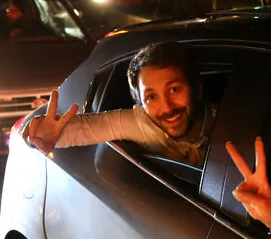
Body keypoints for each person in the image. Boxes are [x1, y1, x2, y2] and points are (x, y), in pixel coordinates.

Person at [23, 42, 212, 166]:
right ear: (141, 104)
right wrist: (38, 133)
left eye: (174, 90)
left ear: (197, 88)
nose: (167, 108)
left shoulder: (228, 122)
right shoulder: (140, 123)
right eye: (151, 97)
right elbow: (86, 128)